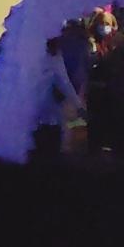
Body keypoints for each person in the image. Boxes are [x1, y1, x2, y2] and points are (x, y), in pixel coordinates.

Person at [32, 36, 86, 165]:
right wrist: (78, 106)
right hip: (47, 112)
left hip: (35, 112)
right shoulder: (53, 56)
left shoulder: (32, 53)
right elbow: (64, 82)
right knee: (49, 153)